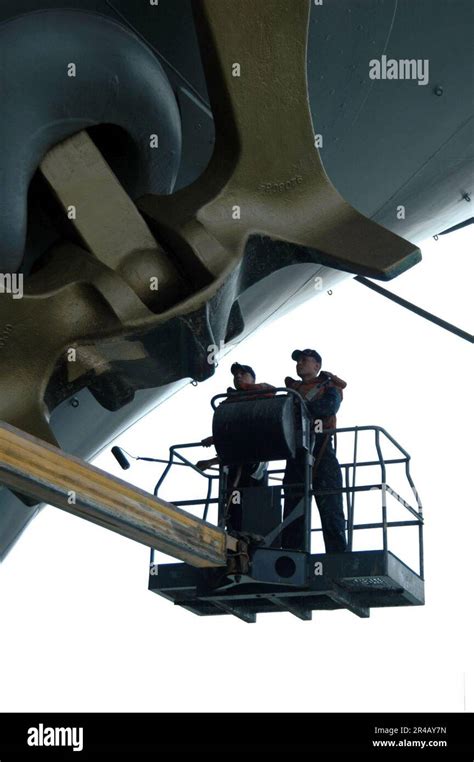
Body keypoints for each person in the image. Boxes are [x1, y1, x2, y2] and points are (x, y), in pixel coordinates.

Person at [282, 349, 347, 553]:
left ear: (317, 366)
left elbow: (327, 408)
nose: (299, 364)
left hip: (322, 448)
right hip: (296, 452)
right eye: (298, 361)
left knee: (331, 508)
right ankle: (293, 556)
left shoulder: (330, 388)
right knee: (293, 507)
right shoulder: (292, 390)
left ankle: (337, 557)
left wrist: (298, 409)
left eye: (304, 360)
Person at [196, 363, 275, 531]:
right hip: (234, 462)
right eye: (236, 374)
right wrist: (215, 441)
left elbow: (272, 390)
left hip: (254, 462)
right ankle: (234, 536)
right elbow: (229, 433)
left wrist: (247, 387)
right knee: (234, 502)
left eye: (243, 373)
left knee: (253, 505)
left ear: (253, 379)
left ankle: (252, 538)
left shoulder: (261, 394)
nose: (238, 376)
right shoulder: (229, 402)